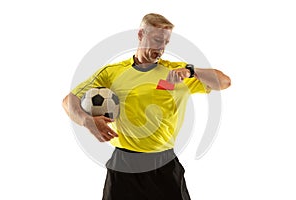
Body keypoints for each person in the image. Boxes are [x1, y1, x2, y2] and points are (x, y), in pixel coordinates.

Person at [62, 13, 231, 200]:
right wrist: (87, 121)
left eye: (166, 42)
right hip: (123, 165)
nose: (161, 48)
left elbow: (224, 82)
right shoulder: (112, 73)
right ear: (141, 34)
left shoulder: (176, 72)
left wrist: (192, 71)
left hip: (164, 164)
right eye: (158, 40)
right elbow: (69, 101)